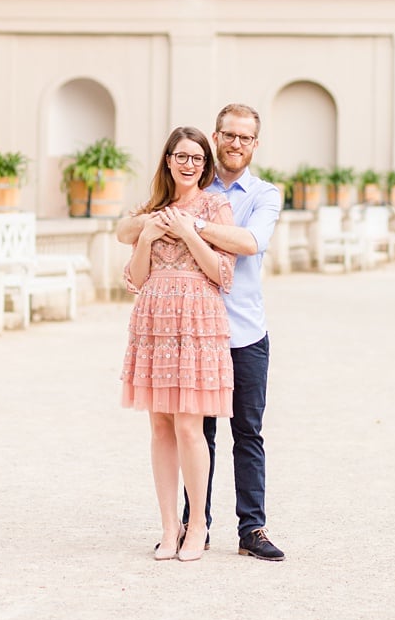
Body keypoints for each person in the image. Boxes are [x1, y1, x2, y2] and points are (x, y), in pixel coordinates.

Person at [116, 104, 285, 562]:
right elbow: (126, 232)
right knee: (190, 430)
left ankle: (252, 528)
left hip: (241, 329)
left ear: (254, 143)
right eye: (228, 135)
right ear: (216, 137)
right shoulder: (187, 190)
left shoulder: (260, 195)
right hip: (172, 330)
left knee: (246, 432)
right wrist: (148, 227)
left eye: (244, 137)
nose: (235, 143)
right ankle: (195, 527)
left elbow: (250, 243)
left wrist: (192, 226)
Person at [119, 126, 235, 563]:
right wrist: (147, 235)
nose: (189, 165)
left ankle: (198, 524)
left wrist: (189, 233)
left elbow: (222, 275)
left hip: (198, 319)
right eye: (182, 157)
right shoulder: (150, 210)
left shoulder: (214, 206)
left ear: (205, 166)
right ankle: (169, 526)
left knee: (190, 426)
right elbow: (136, 278)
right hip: (154, 321)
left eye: (198, 159)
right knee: (160, 426)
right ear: (168, 159)